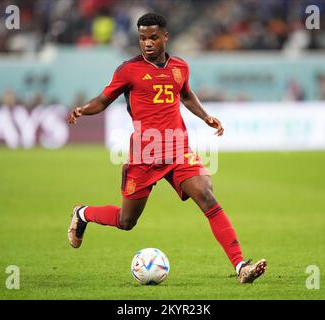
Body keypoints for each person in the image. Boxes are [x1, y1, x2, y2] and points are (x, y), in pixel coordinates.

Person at [67, 13, 267, 284]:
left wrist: (206, 116)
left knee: (207, 197)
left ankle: (241, 265)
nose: (147, 43)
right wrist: (83, 109)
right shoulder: (129, 70)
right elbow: (103, 100)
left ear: (165, 37)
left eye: (152, 37)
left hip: (177, 150)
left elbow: (185, 94)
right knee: (126, 222)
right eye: (142, 38)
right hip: (145, 155)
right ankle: (83, 213)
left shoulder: (180, 67)